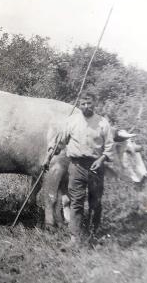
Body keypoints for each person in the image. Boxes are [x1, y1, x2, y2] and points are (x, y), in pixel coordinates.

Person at [56, 91, 114, 245]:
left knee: (95, 201)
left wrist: (102, 159)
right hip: (76, 166)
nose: (86, 106)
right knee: (76, 201)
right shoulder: (71, 121)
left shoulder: (103, 123)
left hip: (96, 166)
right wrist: (54, 147)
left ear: (95, 103)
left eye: (89, 103)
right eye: (83, 103)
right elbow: (61, 141)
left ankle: (93, 234)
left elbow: (109, 147)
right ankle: (74, 237)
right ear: (79, 104)